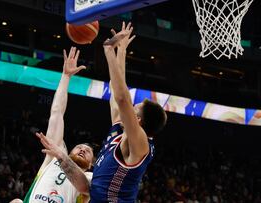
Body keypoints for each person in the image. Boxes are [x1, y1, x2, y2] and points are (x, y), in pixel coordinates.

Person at [89, 22, 168, 202]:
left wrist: (109, 51)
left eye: (134, 109)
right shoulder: (119, 132)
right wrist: (121, 51)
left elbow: (122, 99)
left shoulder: (141, 145)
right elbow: (116, 93)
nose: (130, 109)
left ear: (138, 120)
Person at [23, 47, 94, 203]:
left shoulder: (89, 178)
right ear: (69, 152)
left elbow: (89, 189)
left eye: (88, 151)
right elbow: (56, 113)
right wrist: (66, 76)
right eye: (80, 147)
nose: (82, 149)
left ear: (90, 164)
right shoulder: (52, 158)